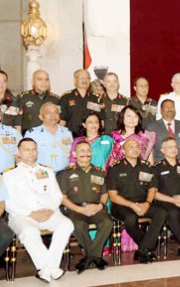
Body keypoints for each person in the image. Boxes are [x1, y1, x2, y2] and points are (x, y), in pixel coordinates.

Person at [4, 138, 74, 282]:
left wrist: (50, 210)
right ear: (18, 152)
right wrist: (31, 213)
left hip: (47, 212)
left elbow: (57, 196)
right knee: (29, 232)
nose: (31, 153)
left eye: (33, 149)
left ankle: (46, 269)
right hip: (22, 216)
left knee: (67, 224)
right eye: (26, 149)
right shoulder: (8, 175)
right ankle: (51, 269)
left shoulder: (46, 170)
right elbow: (8, 204)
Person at [107, 139, 167, 263]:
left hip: (143, 202)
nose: (135, 149)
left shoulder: (147, 167)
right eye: (131, 147)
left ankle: (143, 249)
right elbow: (113, 196)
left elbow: (152, 189)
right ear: (124, 151)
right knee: (130, 218)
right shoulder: (115, 168)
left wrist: (147, 203)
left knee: (162, 213)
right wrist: (133, 206)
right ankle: (147, 246)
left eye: (137, 147)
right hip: (121, 204)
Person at [58, 141, 112, 273]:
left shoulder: (99, 172)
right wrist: (80, 210)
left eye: (88, 150)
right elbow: (62, 198)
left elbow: (105, 193)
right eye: (81, 151)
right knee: (77, 225)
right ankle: (96, 257)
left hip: (96, 208)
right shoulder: (66, 173)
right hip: (75, 209)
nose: (85, 153)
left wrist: (100, 205)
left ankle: (89, 257)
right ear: (75, 154)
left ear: (91, 153)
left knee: (107, 222)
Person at [24, 102, 73, 172]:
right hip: (41, 175)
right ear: (41, 117)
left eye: (56, 112)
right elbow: (25, 157)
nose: (53, 115)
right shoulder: (32, 134)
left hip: (64, 175)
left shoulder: (67, 132)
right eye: (48, 113)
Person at [59, 69, 101, 137]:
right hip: (71, 137)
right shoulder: (66, 97)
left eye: (87, 78)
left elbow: (100, 120)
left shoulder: (95, 98)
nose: (85, 80)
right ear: (75, 80)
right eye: (82, 78)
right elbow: (62, 121)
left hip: (91, 137)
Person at [18, 70, 59, 134]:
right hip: (29, 136)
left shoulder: (56, 99)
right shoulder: (23, 98)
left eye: (46, 79)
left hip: (50, 136)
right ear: (32, 81)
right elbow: (17, 121)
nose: (44, 83)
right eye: (40, 79)